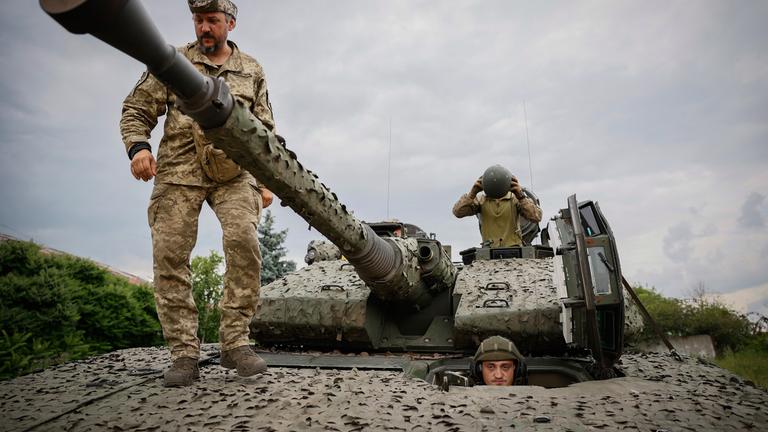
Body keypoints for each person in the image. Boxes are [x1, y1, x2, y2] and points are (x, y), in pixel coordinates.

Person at [120, 0, 275, 387]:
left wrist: (267, 179)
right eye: (199, 20)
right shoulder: (172, 62)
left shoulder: (251, 70)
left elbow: (265, 128)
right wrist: (138, 147)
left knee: (244, 242)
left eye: (213, 21)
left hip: (234, 172)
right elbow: (136, 108)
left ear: (230, 24)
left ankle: (235, 342)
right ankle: (184, 354)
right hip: (178, 170)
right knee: (170, 256)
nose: (205, 28)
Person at [452, 165, 542, 247]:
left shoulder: (515, 199)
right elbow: (458, 212)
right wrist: (472, 194)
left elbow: (536, 217)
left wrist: (521, 196)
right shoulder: (480, 200)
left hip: (514, 249)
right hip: (488, 250)